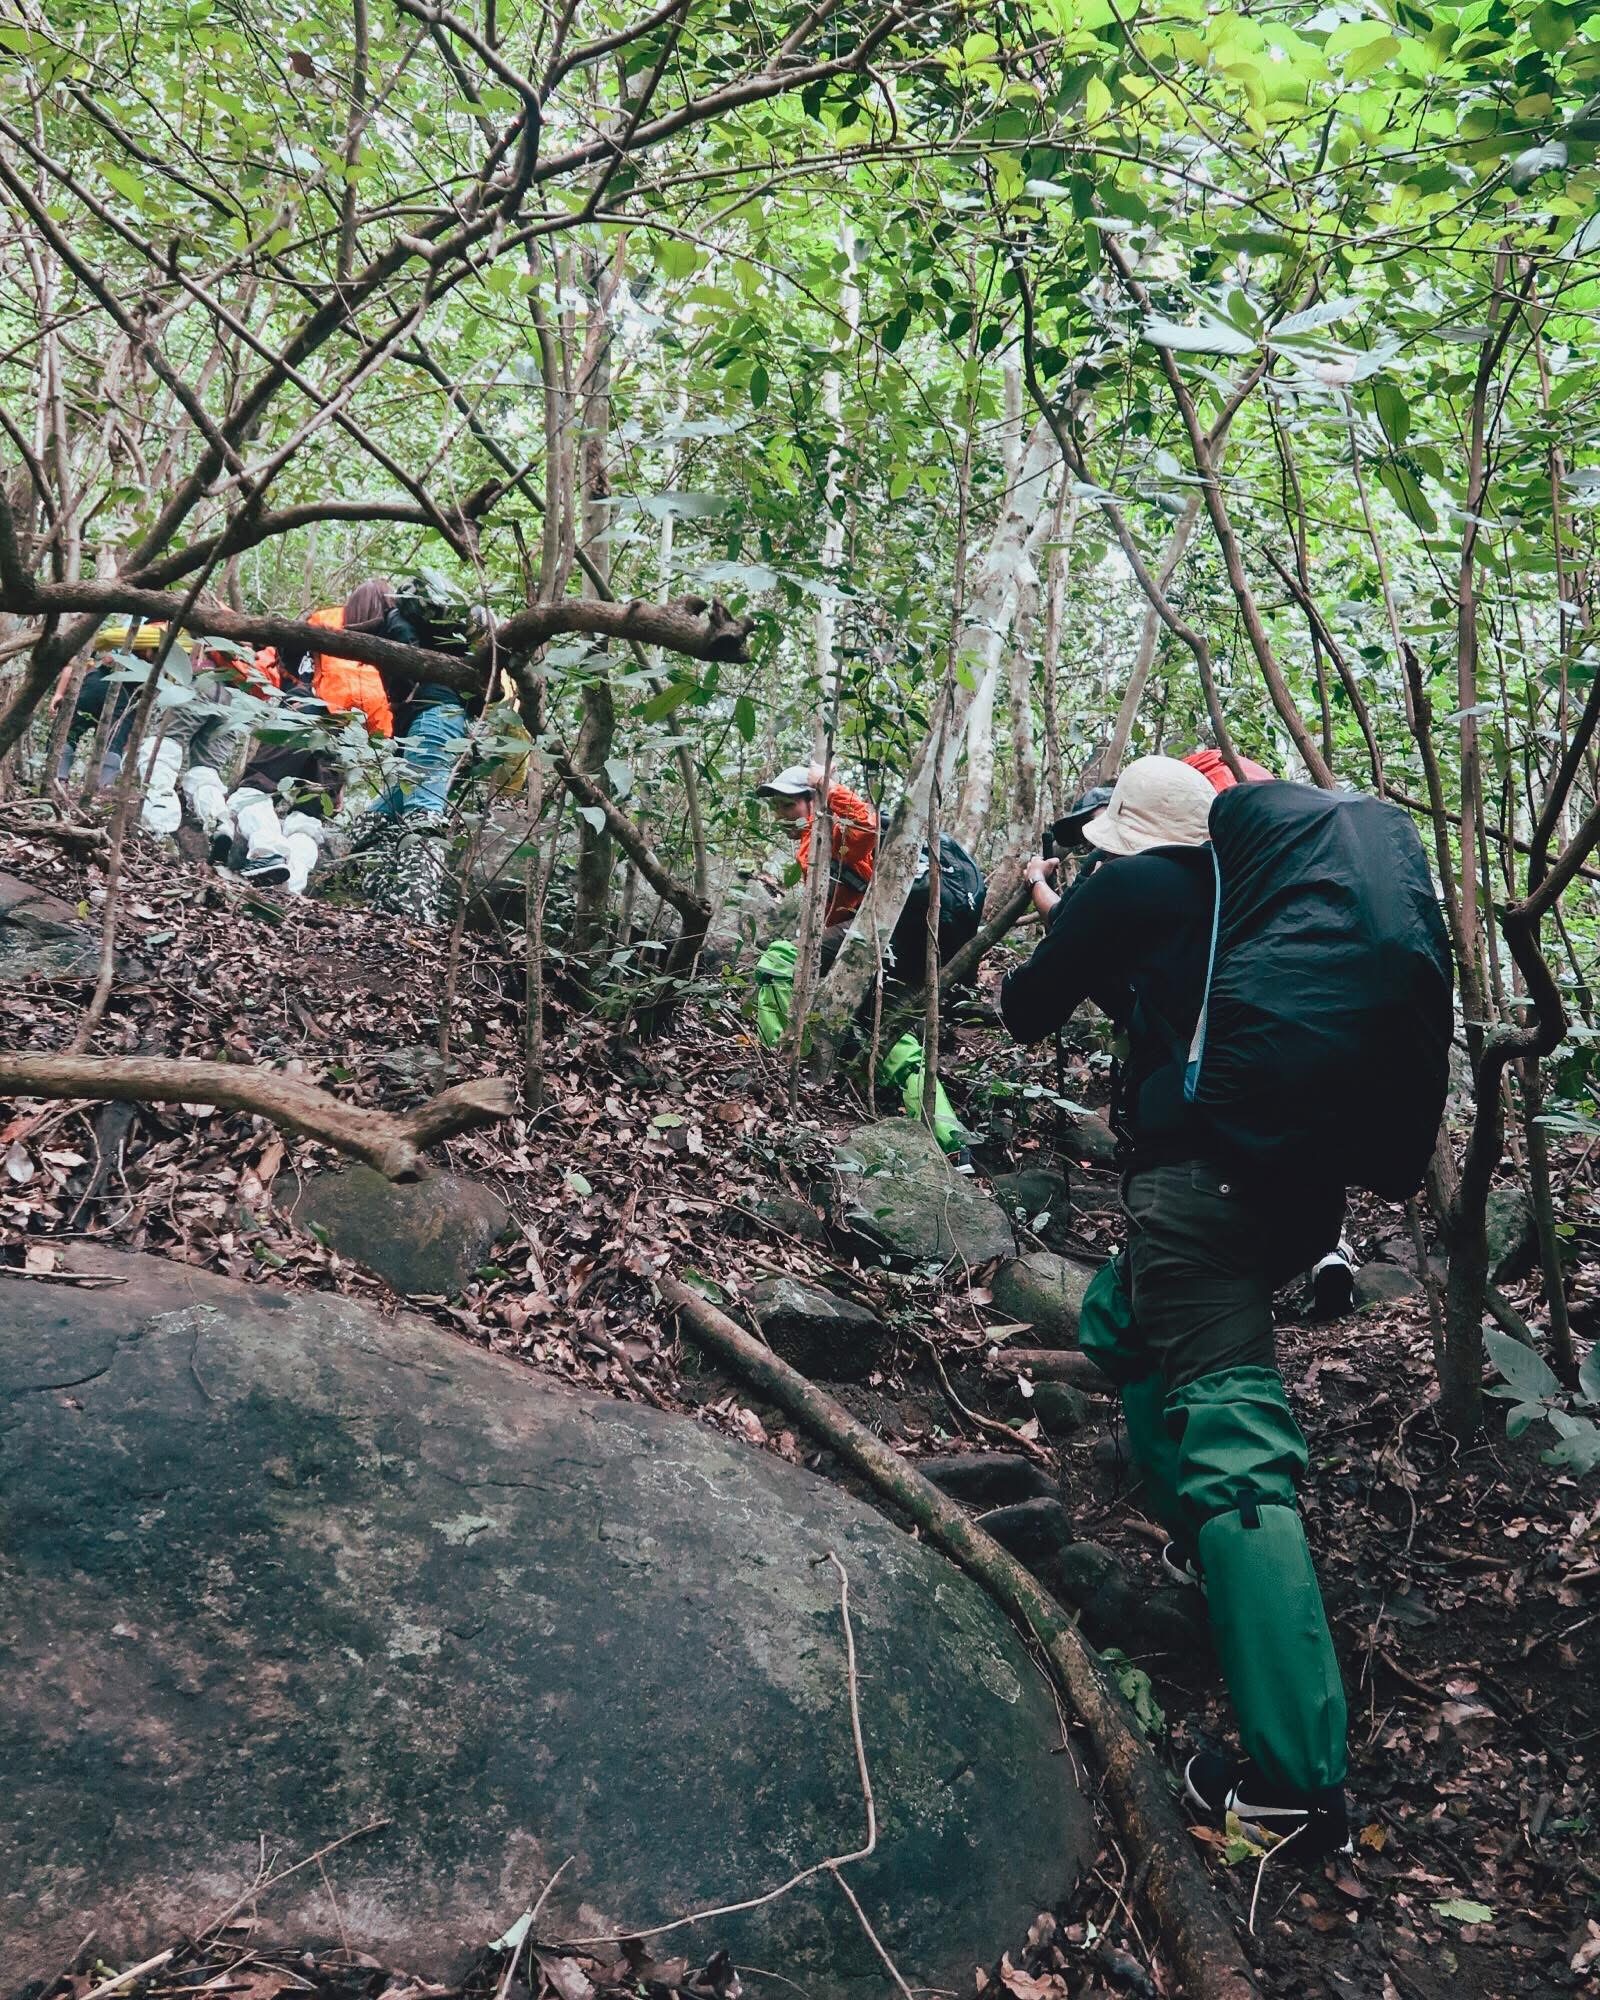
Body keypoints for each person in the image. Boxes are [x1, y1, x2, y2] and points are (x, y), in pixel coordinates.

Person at [1001, 755, 1351, 1857]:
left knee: (1236, 1442)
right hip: (1293, 1192)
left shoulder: (1138, 884)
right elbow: (1162, 1006)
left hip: (1202, 1194)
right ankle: (1207, 1555)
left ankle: (1298, 1786)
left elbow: (1026, 1009)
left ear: (1131, 834)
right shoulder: (1248, 899)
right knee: (1117, 1321)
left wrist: (1059, 917)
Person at [751, 762, 966, 1156]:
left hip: (879, 936)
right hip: (898, 946)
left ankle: (780, 1064)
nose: (780, 815)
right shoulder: (814, 839)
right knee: (888, 1037)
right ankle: (952, 1142)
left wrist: (826, 783)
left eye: (788, 805)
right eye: (776, 807)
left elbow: (864, 825)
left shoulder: (832, 829)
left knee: (779, 959)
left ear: (812, 802)